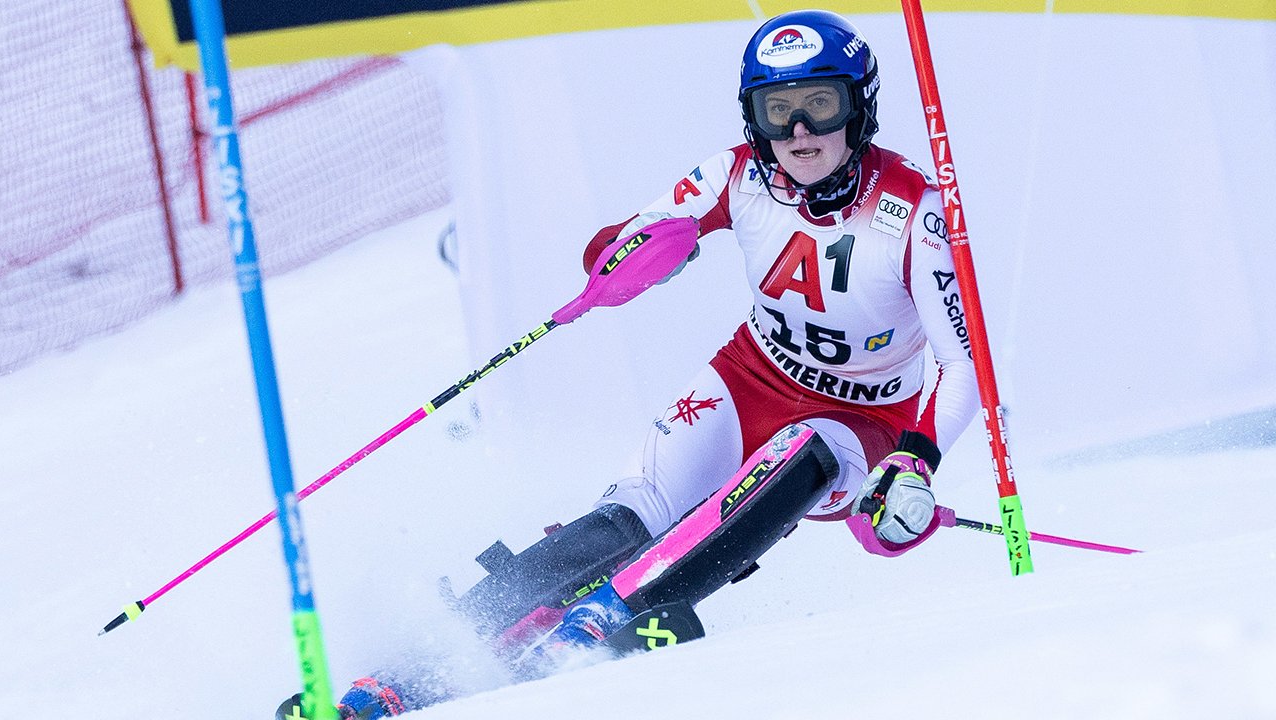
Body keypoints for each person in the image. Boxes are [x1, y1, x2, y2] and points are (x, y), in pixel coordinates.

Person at [284, 8, 980, 718]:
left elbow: (963, 367)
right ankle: (432, 653)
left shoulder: (917, 213)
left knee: (804, 449)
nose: (798, 131)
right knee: (635, 507)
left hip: (859, 422)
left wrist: (916, 461)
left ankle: (608, 617)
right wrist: (637, 254)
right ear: (753, 117)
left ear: (859, 105)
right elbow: (614, 248)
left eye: (819, 104)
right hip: (751, 379)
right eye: (778, 110)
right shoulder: (738, 175)